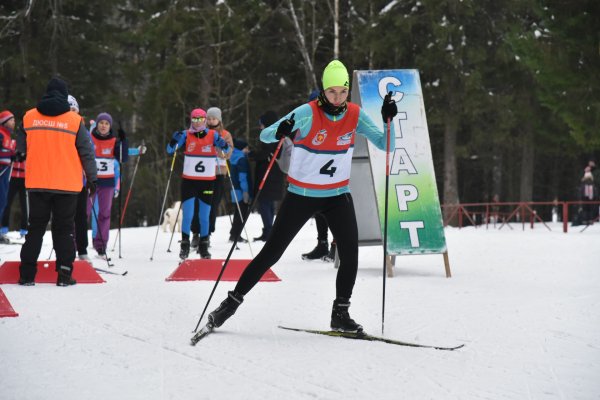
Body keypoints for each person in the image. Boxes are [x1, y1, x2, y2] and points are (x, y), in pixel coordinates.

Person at [207, 59, 397, 333]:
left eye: (343, 91)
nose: (338, 97)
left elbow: (385, 144)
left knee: (350, 254)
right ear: (323, 90)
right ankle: (230, 304)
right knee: (271, 252)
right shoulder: (307, 113)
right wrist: (280, 131)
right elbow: (266, 137)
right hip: (302, 196)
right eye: (332, 92)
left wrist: (388, 120)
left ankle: (340, 313)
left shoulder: (355, 114)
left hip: (337, 195)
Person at [17, 77, 97, 286]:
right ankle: (64, 274)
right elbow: (86, 152)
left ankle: (26, 275)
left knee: (35, 228)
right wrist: (92, 178)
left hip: (37, 182)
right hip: (67, 185)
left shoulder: (29, 117)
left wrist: (25, 153)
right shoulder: (74, 120)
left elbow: (21, 145)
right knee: (64, 230)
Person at [166, 108, 229, 260]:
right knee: (187, 214)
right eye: (194, 119)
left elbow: (226, 151)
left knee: (204, 216)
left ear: (205, 120)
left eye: (200, 119)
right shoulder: (186, 135)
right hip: (189, 181)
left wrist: (223, 144)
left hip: (207, 182)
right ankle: (185, 245)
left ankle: (204, 246)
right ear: (191, 120)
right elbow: (170, 150)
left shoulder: (213, 135)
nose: (197, 122)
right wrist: (174, 140)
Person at [301, 89, 336, 262]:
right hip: (317, 174)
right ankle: (322, 244)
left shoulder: (336, 119)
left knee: (336, 211)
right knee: (319, 210)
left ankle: (337, 246)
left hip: (336, 175)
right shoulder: (309, 122)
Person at [190, 106, 233, 249]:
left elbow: (228, 153)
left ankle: (206, 234)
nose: (211, 120)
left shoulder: (225, 134)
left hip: (217, 174)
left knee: (212, 205)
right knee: (198, 204)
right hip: (201, 173)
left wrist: (218, 147)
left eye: (213, 118)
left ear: (219, 119)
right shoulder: (200, 132)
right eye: (208, 118)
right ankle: (196, 233)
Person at [87, 112, 128, 259]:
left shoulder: (114, 141)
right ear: (97, 124)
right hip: (90, 182)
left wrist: (124, 141)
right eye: (101, 123)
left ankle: (101, 246)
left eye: (106, 123)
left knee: (104, 214)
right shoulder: (89, 139)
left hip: (107, 183)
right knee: (82, 212)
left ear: (110, 126)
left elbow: (123, 158)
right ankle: (76, 245)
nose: (103, 126)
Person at [251, 110, 285, 241]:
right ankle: (268, 231)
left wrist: (251, 155)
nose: (260, 126)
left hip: (268, 174)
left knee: (264, 203)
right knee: (268, 203)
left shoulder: (270, 136)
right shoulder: (279, 133)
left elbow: (264, 153)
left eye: (262, 123)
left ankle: (269, 232)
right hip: (275, 173)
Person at [228, 138, 252, 243]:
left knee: (238, 212)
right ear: (242, 148)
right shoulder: (241, 159)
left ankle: (234, 234)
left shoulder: (233, 157)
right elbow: (242, 176)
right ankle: (236, 235)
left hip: (234, 189)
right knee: (242, 213)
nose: (248, 150)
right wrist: (246, 191)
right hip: (241, 191)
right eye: (246, 148)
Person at [0, 110, 17, 243]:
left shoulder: (8, 136)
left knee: (3, 201)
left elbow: (8, 153)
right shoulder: (1, 134)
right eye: (11, 120)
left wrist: (15, 156)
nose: (13, 122)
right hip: (1, 171)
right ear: (4, 122)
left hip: (6, 172)